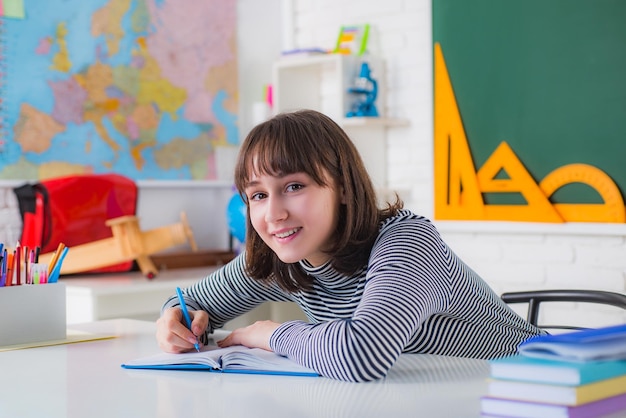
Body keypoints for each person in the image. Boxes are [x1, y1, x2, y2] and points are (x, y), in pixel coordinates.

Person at [156, 109, 544, 382]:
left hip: (534, 389)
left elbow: (362, 356)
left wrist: (269, 334)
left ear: (341, 187)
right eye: (257, 195)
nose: (273, 214)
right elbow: (186, 303)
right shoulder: (280, 256)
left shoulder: (407, 242)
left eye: (294, 187)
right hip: (425, 394)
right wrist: (174, 321)